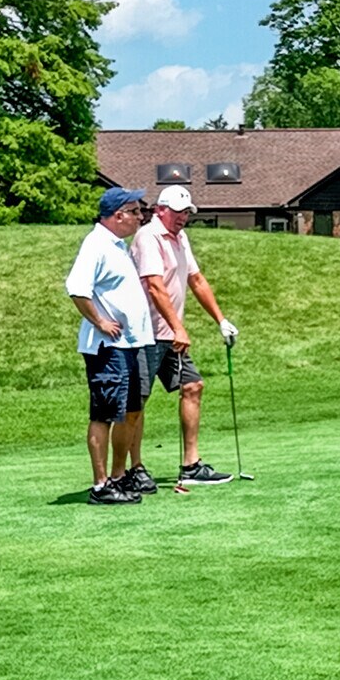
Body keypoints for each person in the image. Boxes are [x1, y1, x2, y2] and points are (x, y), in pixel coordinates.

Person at [127, 184, 239, 489]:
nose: (183, 218)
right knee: (137, 402)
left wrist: (221, 319)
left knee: (193, 385)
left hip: (169, 333)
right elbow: (154, 286)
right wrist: (178, 327)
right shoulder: (148, 237)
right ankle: (133, 468)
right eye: (178, 212)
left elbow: (196, 279)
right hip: (145, 333)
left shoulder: (180, 237)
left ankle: (191, 464)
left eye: (187, 213)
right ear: (160, 210)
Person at [66, 187, 155, 505]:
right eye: (135, 212)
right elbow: (76, 288)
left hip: (130, 344)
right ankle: (101, 485)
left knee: (131, 410)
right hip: (108, 347)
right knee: (104, 413)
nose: (140, 217)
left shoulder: (116, 245)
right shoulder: (96, 245)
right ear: (118, 215)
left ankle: (119, 477)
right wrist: (100, 322)